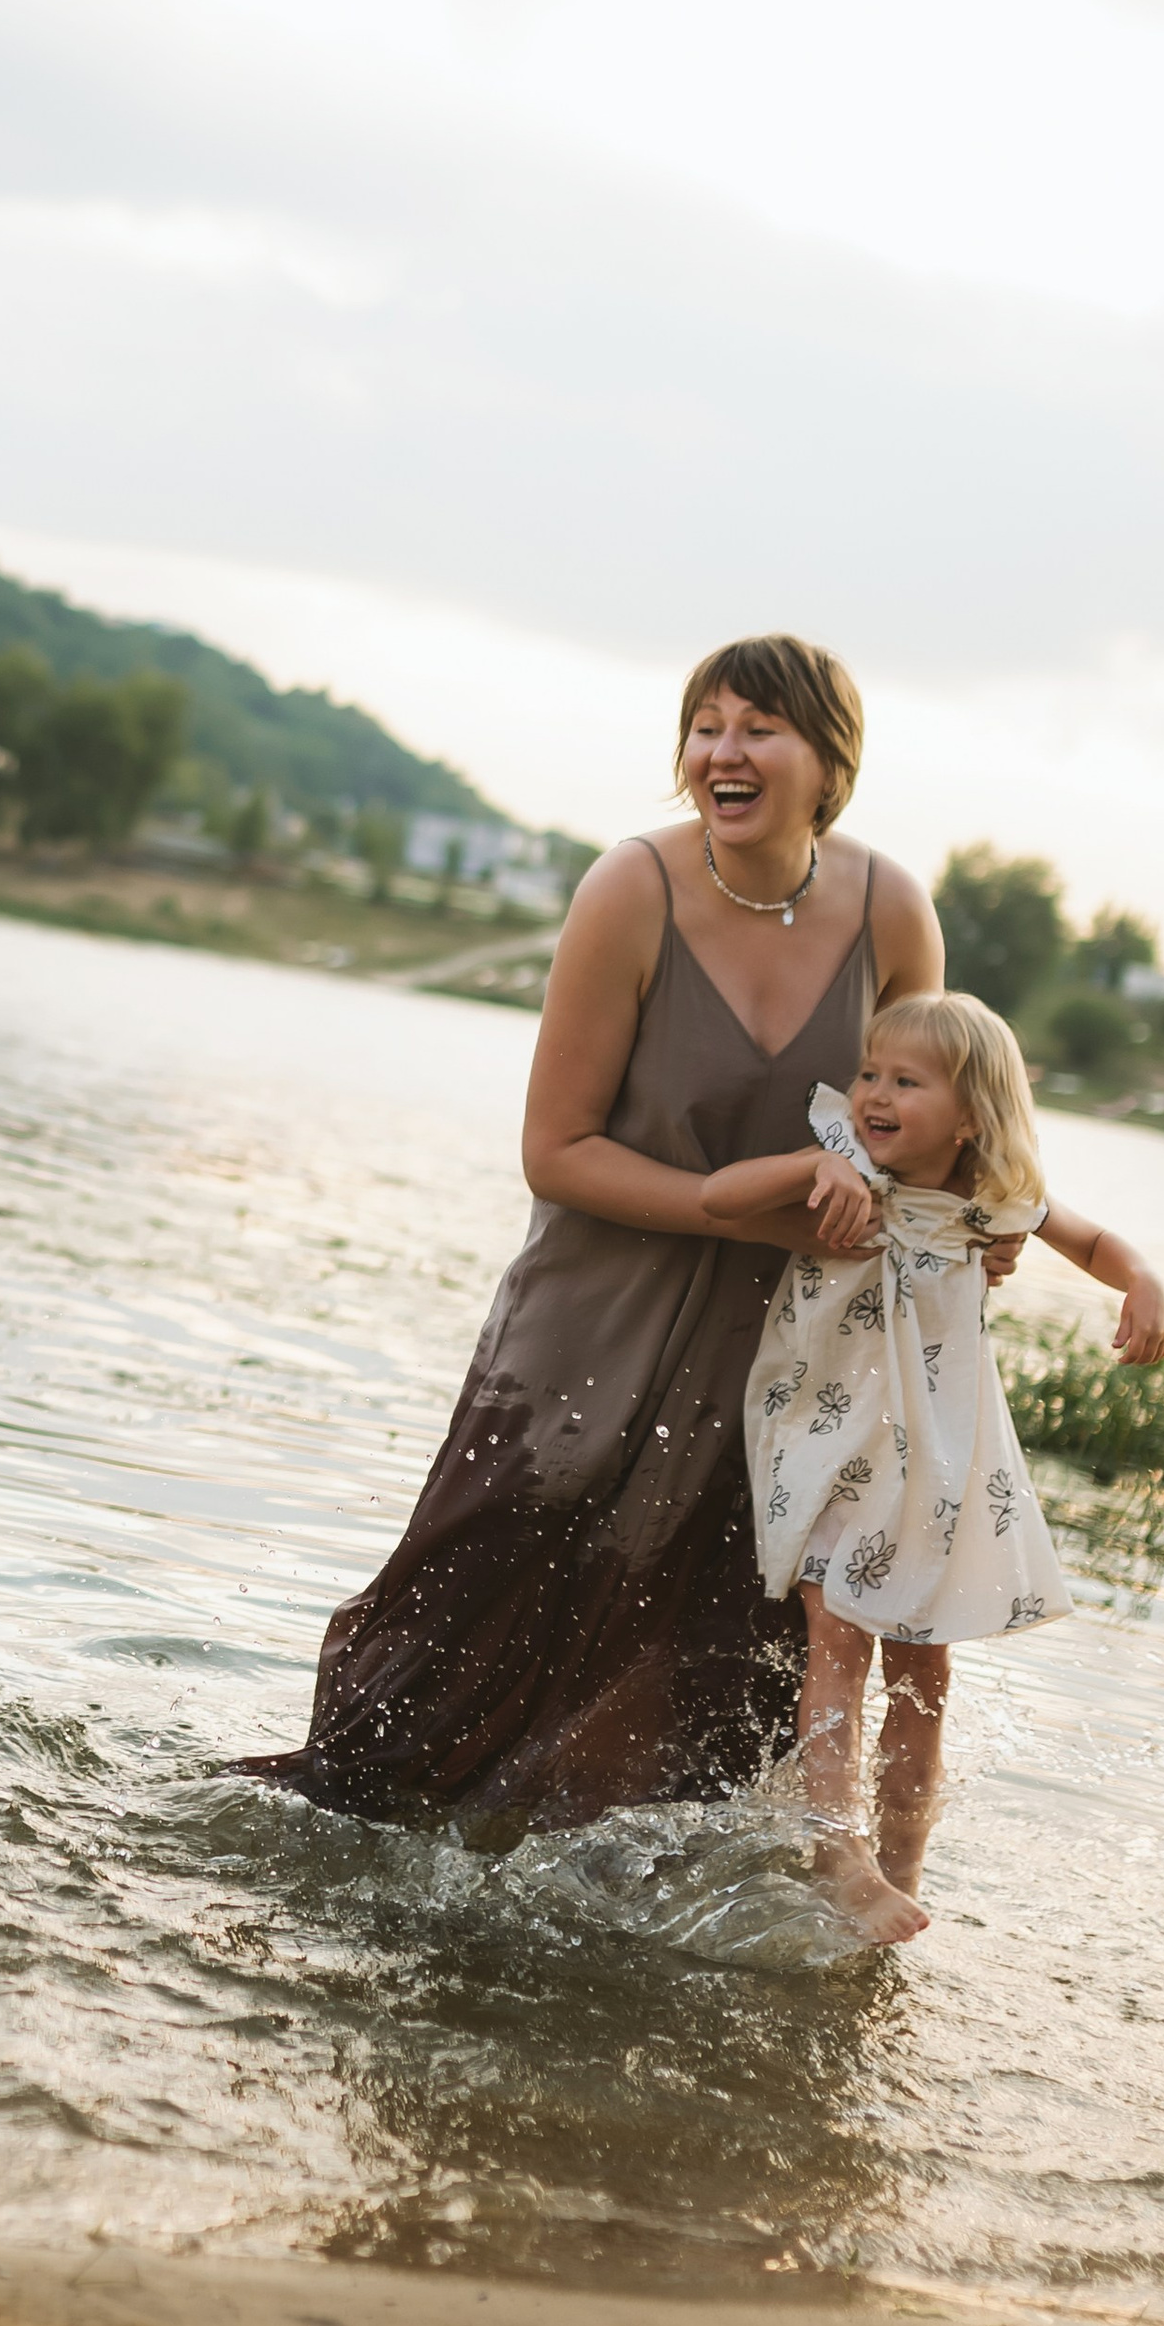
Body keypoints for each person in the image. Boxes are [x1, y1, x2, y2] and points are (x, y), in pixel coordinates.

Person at [244, 633, 948, 1841]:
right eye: (704, 726)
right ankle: (356, 1866)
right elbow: (554, 1151)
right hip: (586, 1328)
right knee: (461, 1646)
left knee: (702, 1678)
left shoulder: (893, 912)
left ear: (829, 764)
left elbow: (924, 1132)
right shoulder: (631, 890)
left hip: (779, 1357)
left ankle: (623, 1904)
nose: (721, 752)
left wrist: (972, 1228)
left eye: (756, 729)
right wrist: (739, 1199)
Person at [703, 991, 1164, 1945]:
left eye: (904, 1082)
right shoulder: (838, 1157)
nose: (873, 1092)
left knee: (926, 1672)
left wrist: (1145, 1281)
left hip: (940, 1464)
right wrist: (815, 1167)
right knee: (838, 1645)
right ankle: (838, 1854)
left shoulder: (990, 1204)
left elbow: (1088, 1240)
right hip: (832, 1440)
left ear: (970, 1117)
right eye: (871, 1072)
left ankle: (901, 1866)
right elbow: (718, 1199)